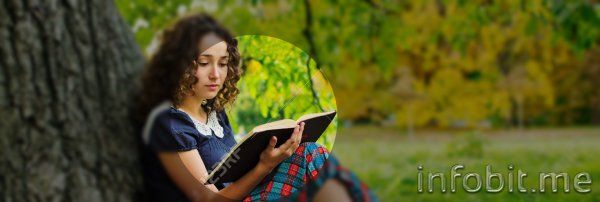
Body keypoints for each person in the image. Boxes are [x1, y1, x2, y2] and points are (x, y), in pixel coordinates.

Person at [135, 13, 377, 202]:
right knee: (315, 165)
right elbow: (206, 197)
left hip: (244, 194)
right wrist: (264, 165)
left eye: (223, 63)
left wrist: (277, 152)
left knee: (311, 154)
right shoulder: (169, 123)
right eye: (204, 63)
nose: (216, 75)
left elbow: (233, 172)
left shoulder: (215, 114)